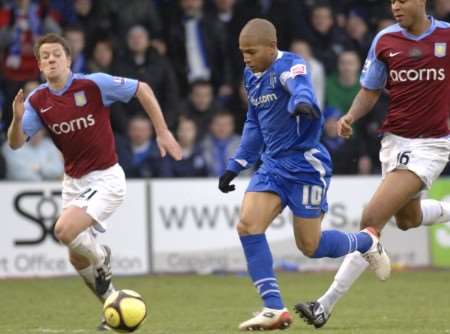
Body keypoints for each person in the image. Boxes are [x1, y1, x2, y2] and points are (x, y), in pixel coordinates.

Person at [217, 18, 390, 332]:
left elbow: (300, 88)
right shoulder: (250, 75)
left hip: (306, 165)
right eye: (242, 52)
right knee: (247, 225)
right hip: (272, 166)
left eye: (251, 51)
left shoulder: (292, 64)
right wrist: (236, 163)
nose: (246, 57)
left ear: (272, 47)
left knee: (309, 247)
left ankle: (365, 241)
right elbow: (254, 123)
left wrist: (302, 103)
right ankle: (273, 308)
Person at [6, 33, 182, 330]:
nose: (51, 59)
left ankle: (102, 256)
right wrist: (16, 118)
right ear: (38, 65)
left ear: (68, 59)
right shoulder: (38, 100)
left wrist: (162, 132)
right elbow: (15, 143)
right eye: (45, 56)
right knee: (77, 259)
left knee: (64, 230)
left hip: (106, 177)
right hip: (72, 182)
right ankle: (113, 308)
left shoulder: (93, 84)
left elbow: (143, 88)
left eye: (56, 54)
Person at [295, 0, 450, 328]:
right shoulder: (384, 40)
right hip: (394, 141)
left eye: (402, 0)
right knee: (408, 219)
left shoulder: (447, 38)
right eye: (392, 1)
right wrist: (351, 115)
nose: (395, 6)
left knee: (371, 219)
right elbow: (370, 90)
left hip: (431, 144)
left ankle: (324, 305)